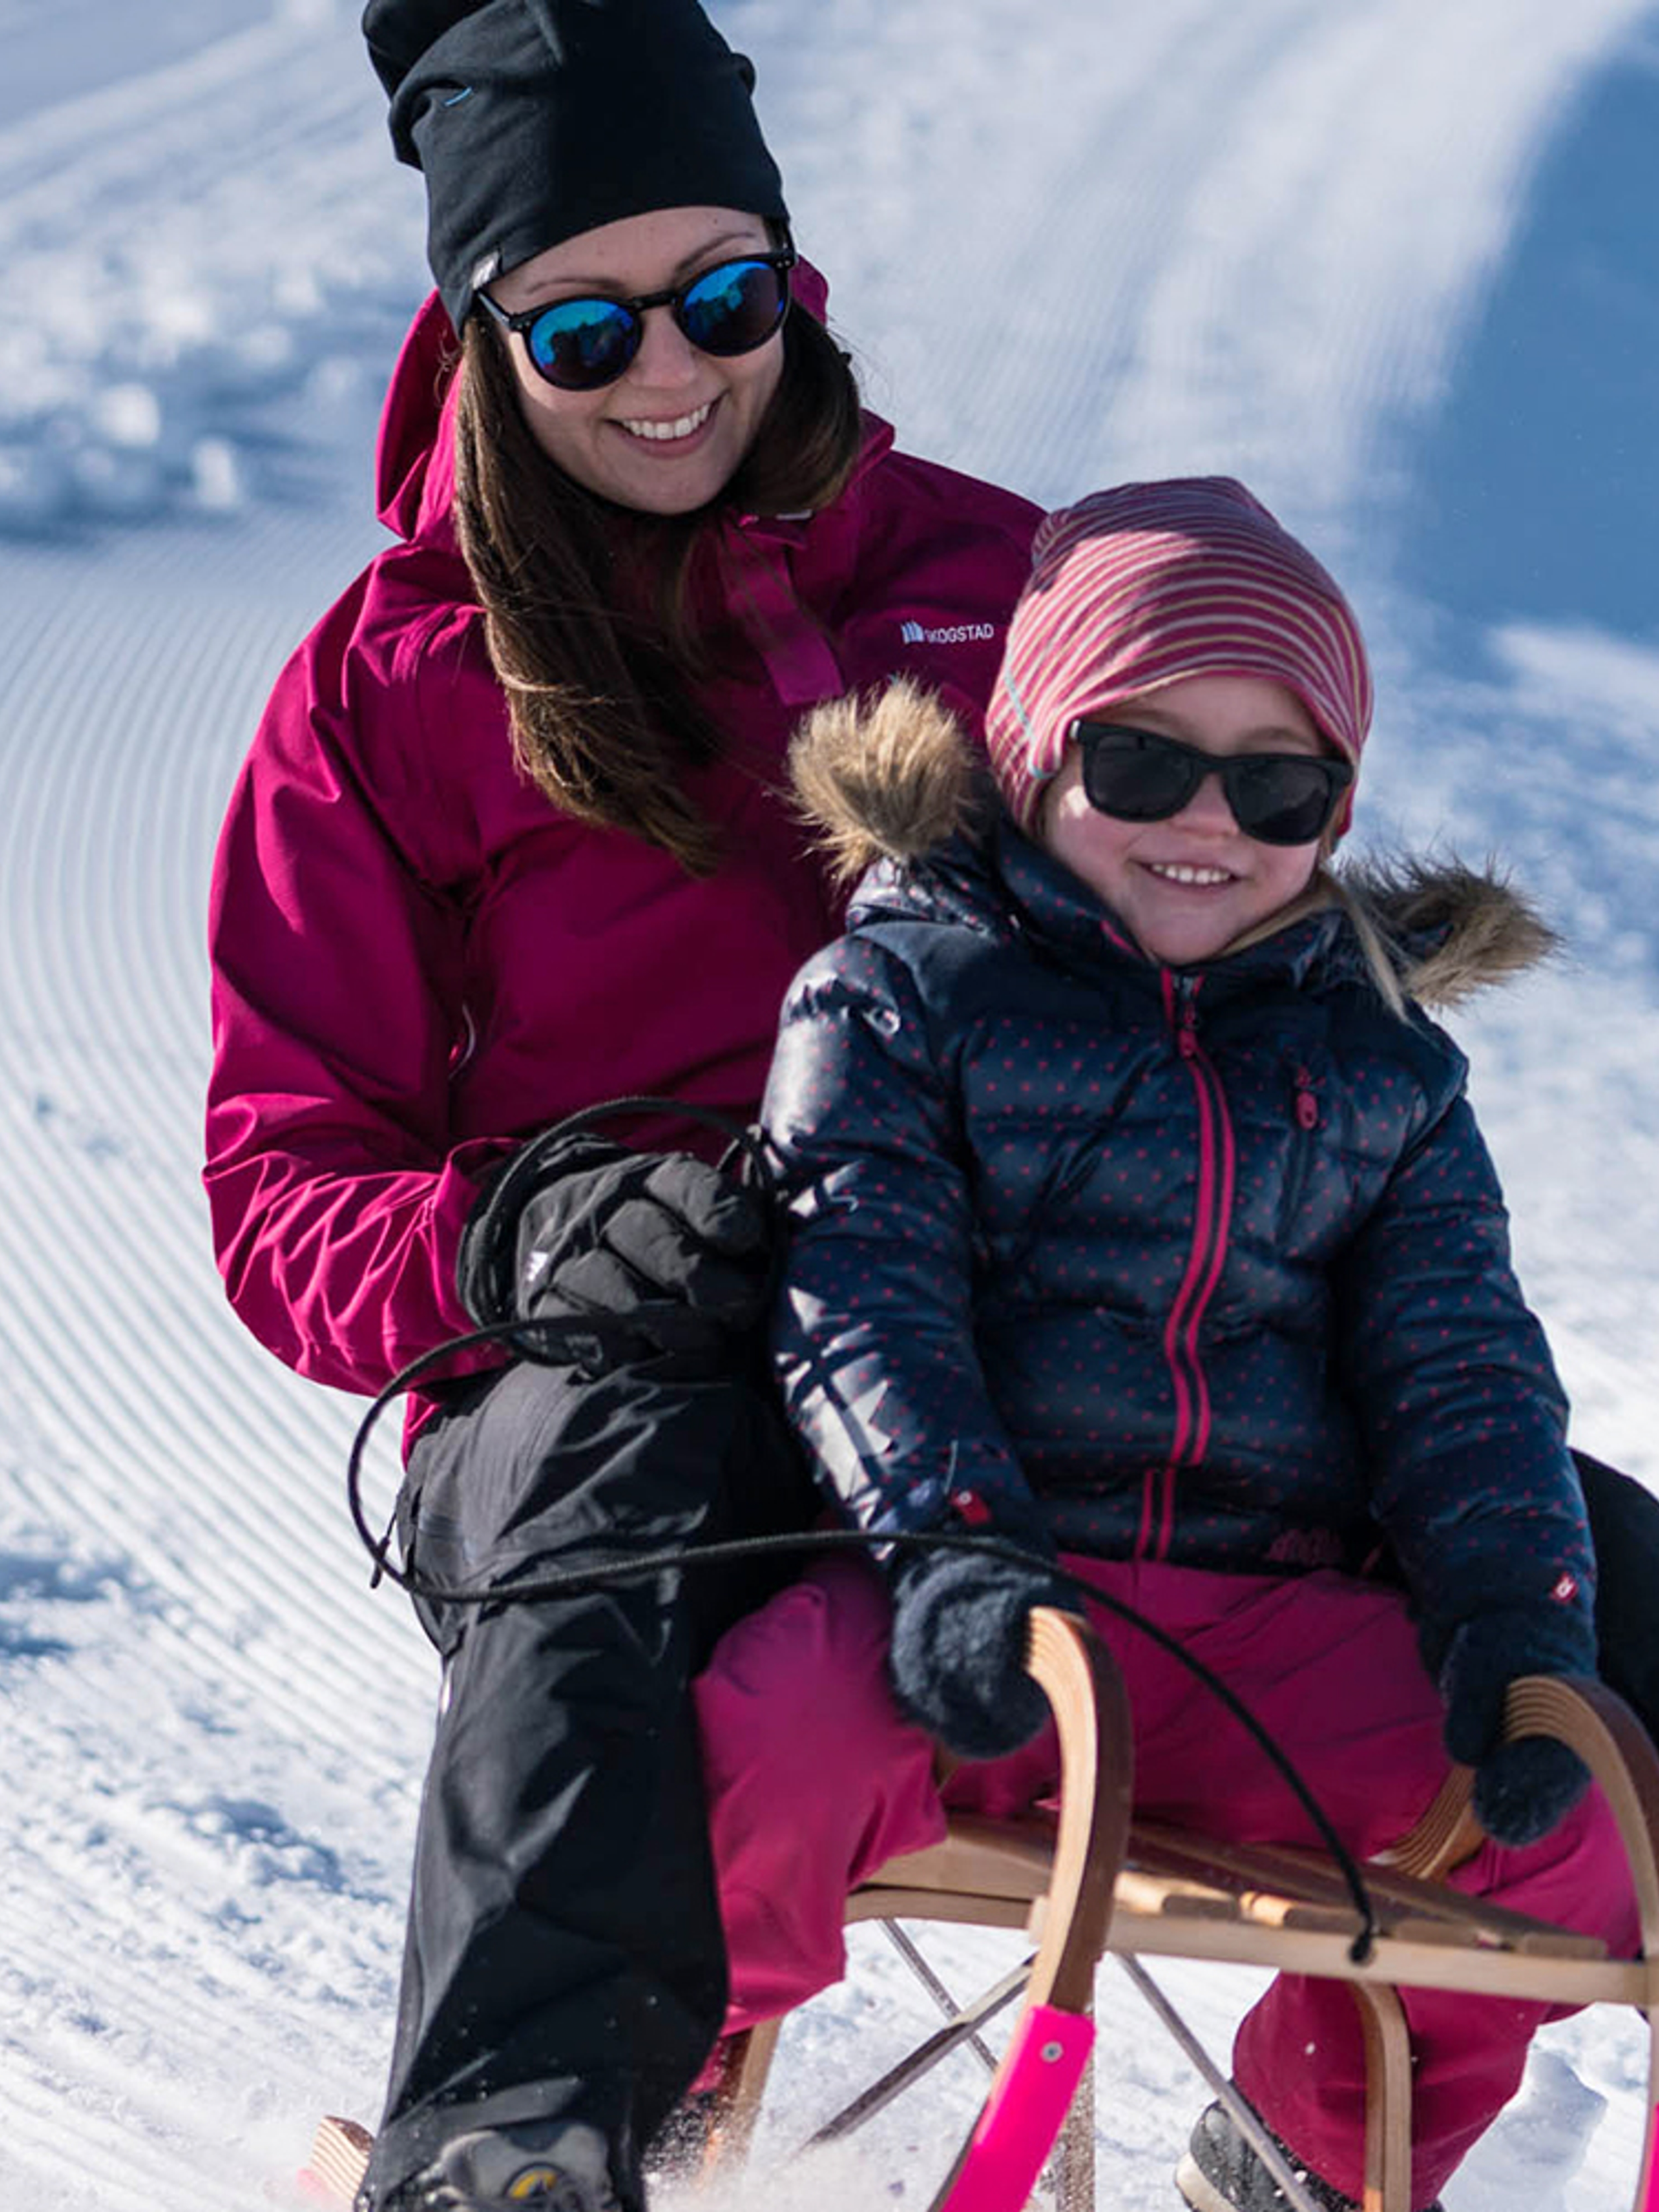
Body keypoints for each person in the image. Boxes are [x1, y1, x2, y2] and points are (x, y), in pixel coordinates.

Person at [200, 2, 1039, 2207]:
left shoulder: (1000, 586)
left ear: (794, 278)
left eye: (724, 298)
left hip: (993, 1333)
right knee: (622, 1479)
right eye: (585, 328)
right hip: (618, 1372)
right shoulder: (390, 684)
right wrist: (516, 1241)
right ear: (482, 336)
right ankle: (510, 2141)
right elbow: (278, 1178)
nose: (673, 374)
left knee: (1513, 1510)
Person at [692, 477, 1640, 2212]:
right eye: (1142, 763)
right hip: (977, 1607)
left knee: (1572, 1824)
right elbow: (866, 1297)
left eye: (1276, 784)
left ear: (1335, 813)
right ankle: (650, 2092)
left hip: (1259, 1636)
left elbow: (1466, 1374)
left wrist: (1517, 1629)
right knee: (778, 1724)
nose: (1206, 818)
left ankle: (1302, 2150)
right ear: (1042, 751)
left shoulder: (1383, 1072)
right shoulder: (905, 990)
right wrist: (959, 1556)